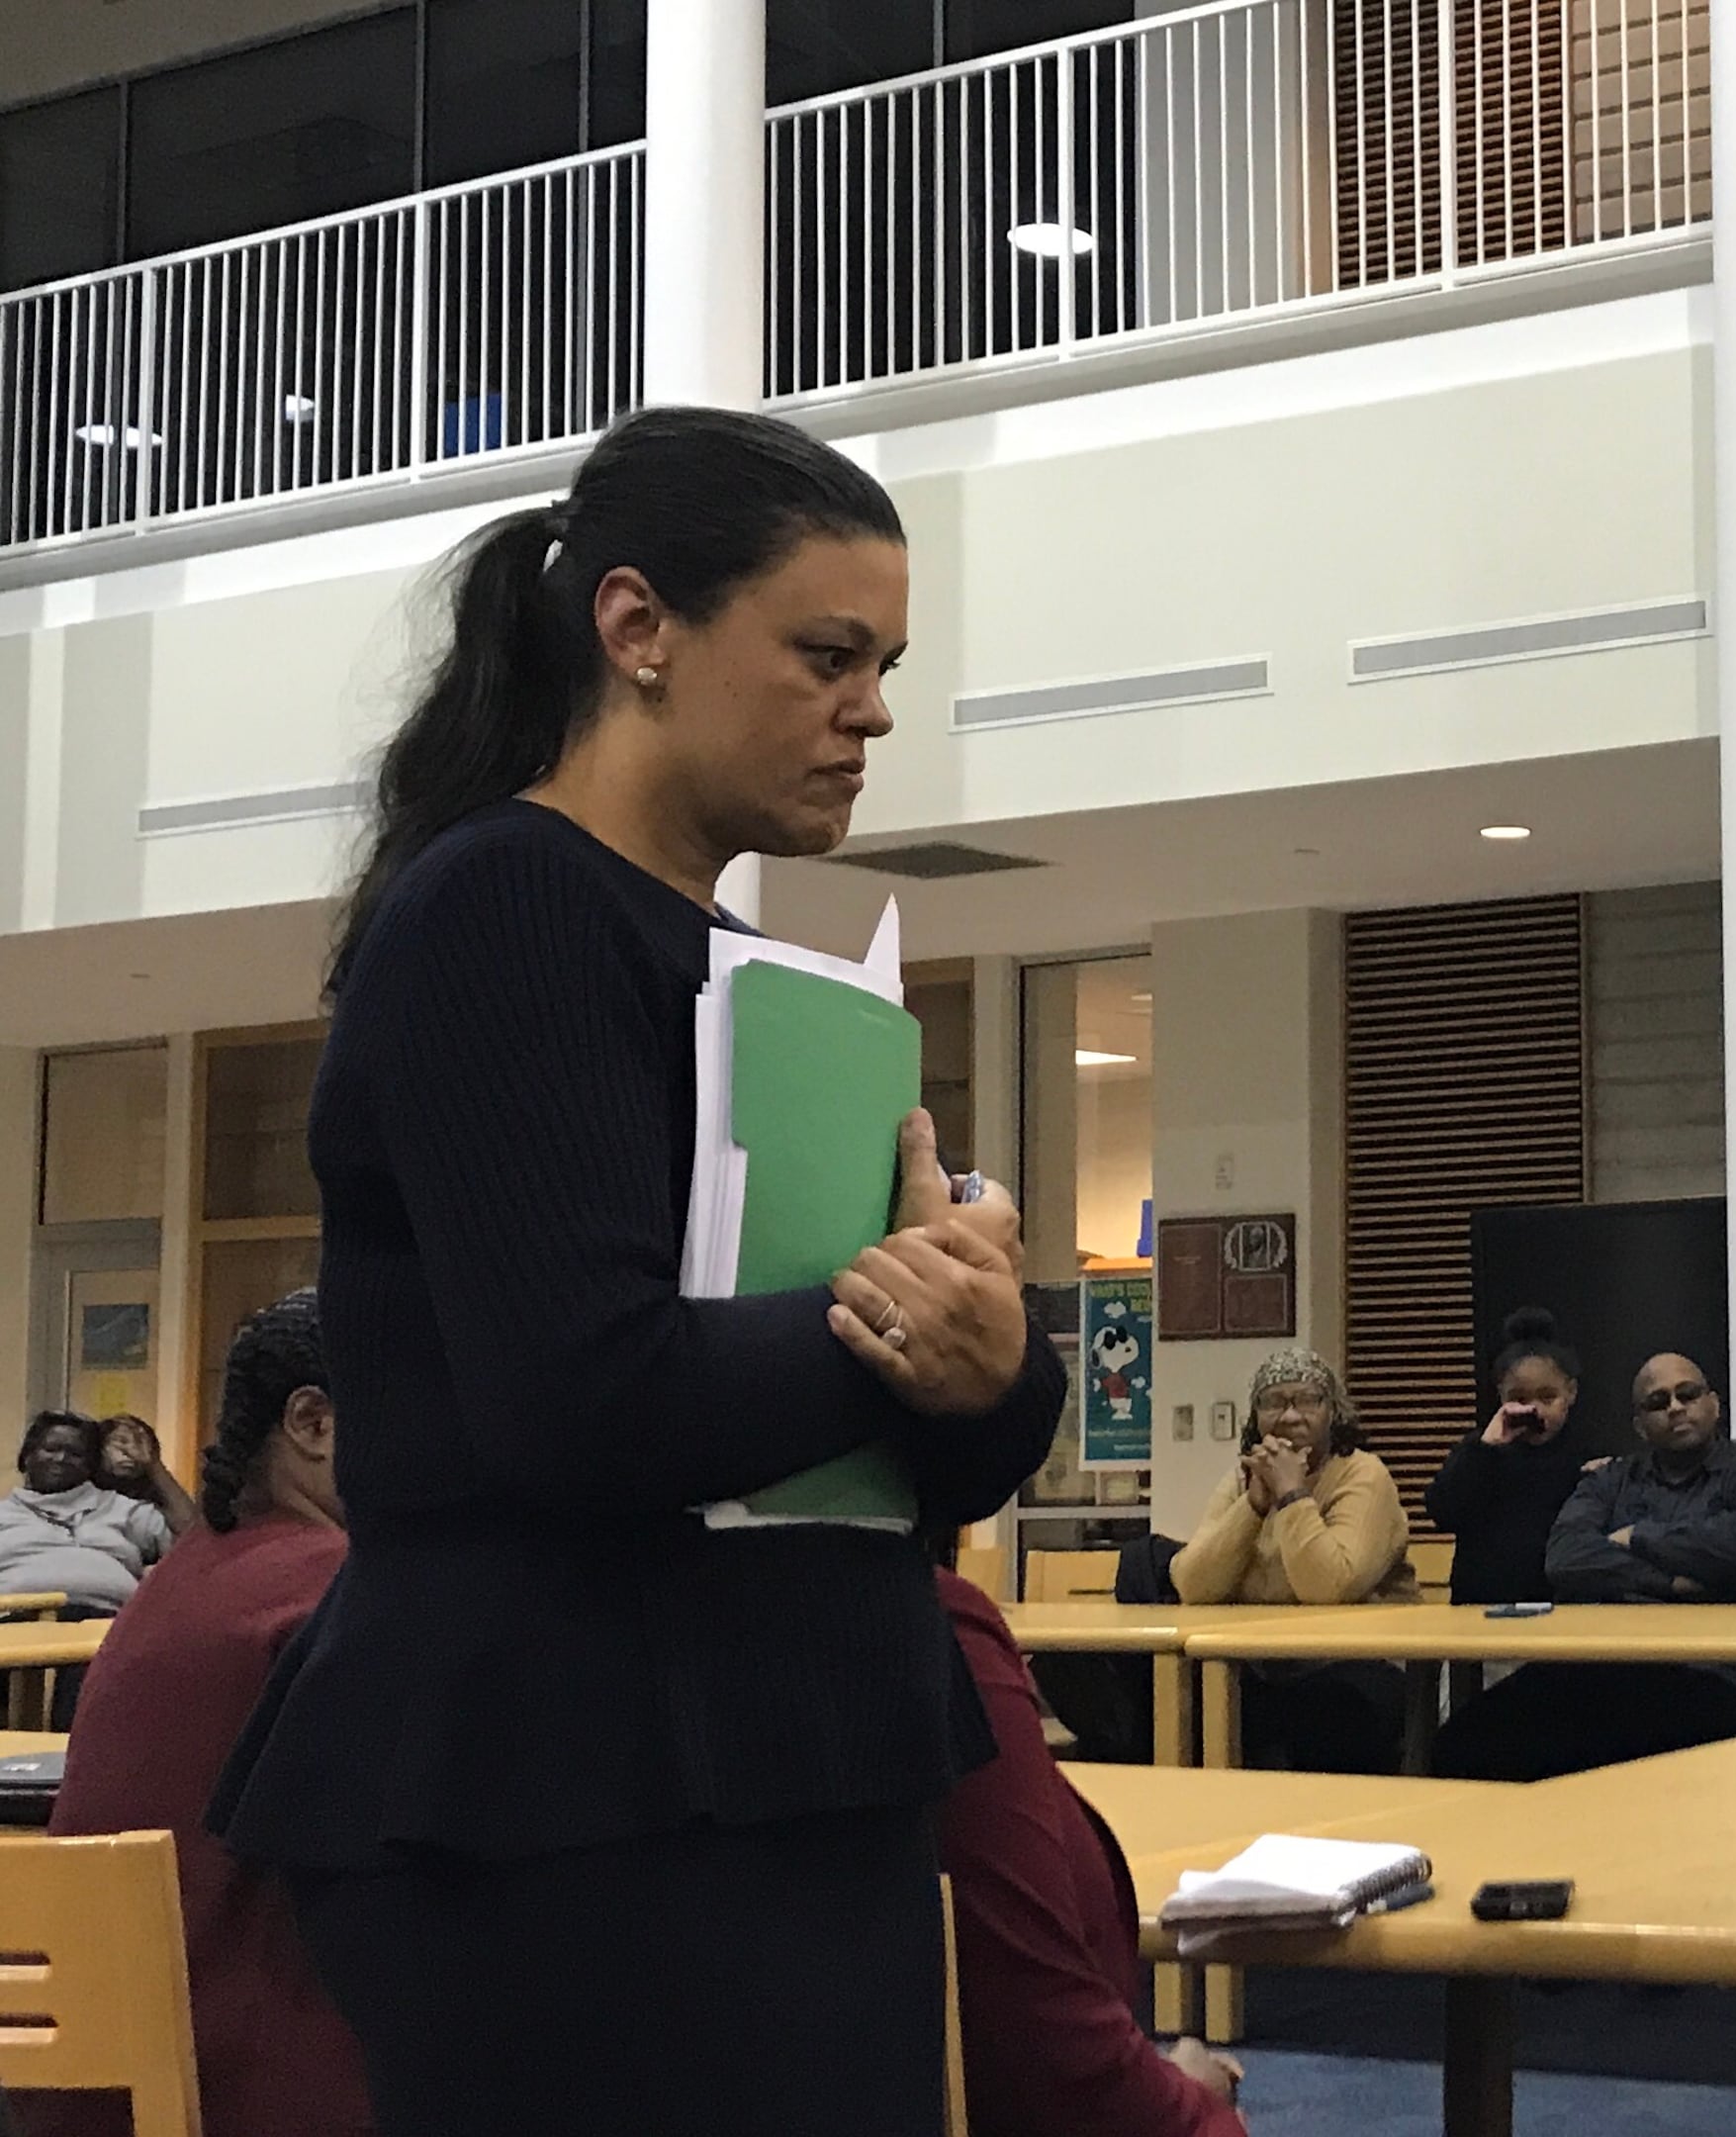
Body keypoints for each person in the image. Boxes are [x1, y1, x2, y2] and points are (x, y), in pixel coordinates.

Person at [209, 407, 1065, 2137]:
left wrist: (985, 1359)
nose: (874, 708)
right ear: (635, 627)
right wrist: (901, 1330)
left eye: (886, 662)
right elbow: (577, 1398)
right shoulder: (505, 907)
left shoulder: (768, 977)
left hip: (788, 1754)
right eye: (828, 653)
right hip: (562, 1780)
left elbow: (918, 1449)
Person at [43, 1292, 369, 2137]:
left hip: (85, 2081)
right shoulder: (321, 1589)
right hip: (230, 2087)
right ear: (314, 1422)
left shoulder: (193, 1572)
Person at [931, 1564, 1241, 2137]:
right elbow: (1200, 1574)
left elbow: (1332, 1575)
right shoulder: (934, 1637)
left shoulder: (1361, 1488)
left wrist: (1294, 1504)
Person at [1433, 1349, 1736, 1780]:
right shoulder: (1610, 1480)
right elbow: (1567, 1558)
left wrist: (1638, 1537)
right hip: (1610, 1665)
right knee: (1463, 1743)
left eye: (1686, 1394)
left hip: (1732, 1675)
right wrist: (1677, 1581)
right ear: (1638, 1424)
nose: (1674, 1407)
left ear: (1714, 1404)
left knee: (1621, 1744)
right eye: (1657, 1401)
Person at [1171, 1349, 1416, 1771]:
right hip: (1262, 1664)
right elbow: (1194, 1585)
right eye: (1273, 1403)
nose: (1289, 1417)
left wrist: (1292, 1495)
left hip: (1357, 1663)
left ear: (1333, 1411)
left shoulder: (1363, 1473)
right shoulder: (1239, 1480)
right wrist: (1252, 1506)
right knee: (1157, 1694)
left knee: (1323, 1711)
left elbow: (1330, 1588)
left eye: (1307, 1400)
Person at [1423, 1307, 1624, 1607]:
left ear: (1571, 1392)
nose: (1535, 1411)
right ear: (1500, 1396)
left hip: (1566, 1615)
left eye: (1547, 1398)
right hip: (1482, 1613)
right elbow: (1441, 1511)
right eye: (1519, 1399)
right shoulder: (1479, 1452)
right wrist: (1484, 1449)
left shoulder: (1590, 1457)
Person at [0, 1412, 196, 1613]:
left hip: (108, 1625)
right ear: (25, 1457)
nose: (61, 1458)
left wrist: (154, 1467)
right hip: (15, 1625)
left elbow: (194, 1537)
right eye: (51, 1449)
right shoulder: (4, 1513)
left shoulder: (122, 1508)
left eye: (75, 1453)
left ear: (90, 1465)